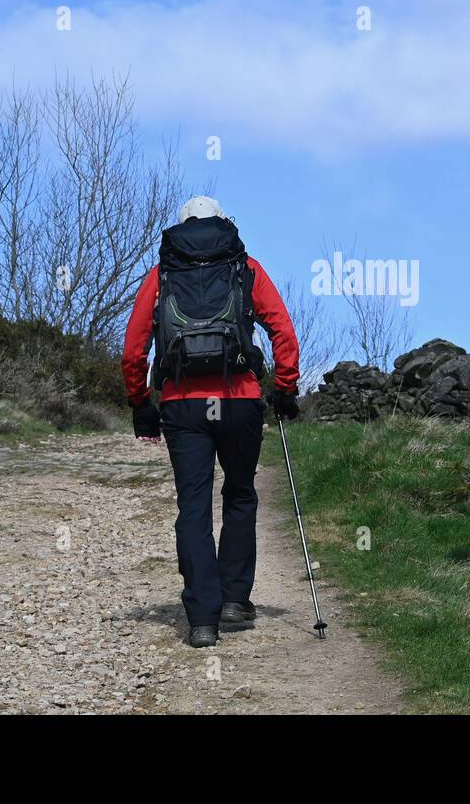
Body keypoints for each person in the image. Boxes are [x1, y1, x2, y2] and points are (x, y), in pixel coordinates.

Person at [122, 196, 301, 648]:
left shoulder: (163, 273)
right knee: (240, 494)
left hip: (183, 402)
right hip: (239, 399)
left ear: (181, 228)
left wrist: (141, 402)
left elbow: (134, 347)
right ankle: (235, 602)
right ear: (224, 223)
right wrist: (286, 388)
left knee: (193, 508)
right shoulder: (246, 267)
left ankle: (203, 620)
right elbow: (282, 329)